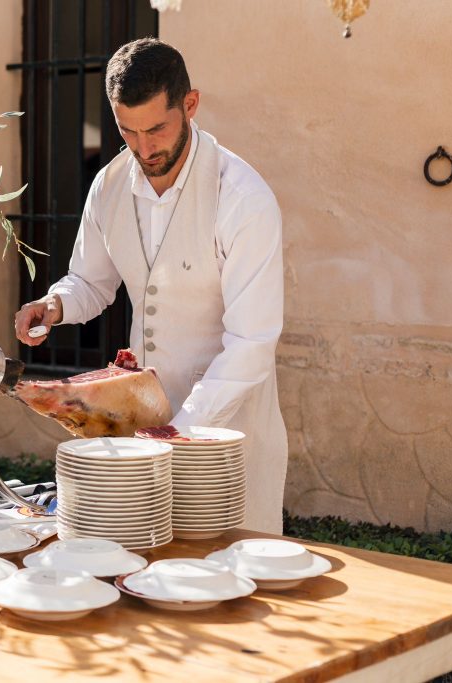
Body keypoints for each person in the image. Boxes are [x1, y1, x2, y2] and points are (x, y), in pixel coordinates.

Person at [14, 38, 288, 534]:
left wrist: (179, 430)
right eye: (127, 131)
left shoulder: (244, 198)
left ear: (191, 104)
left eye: (157, 129)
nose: (143, 148)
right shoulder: (110, 184)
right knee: (140, 569)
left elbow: (253, 343)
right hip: (137, 434)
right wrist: (55, 304)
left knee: (227, 585)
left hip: (227, 436)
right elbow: (90, 281)